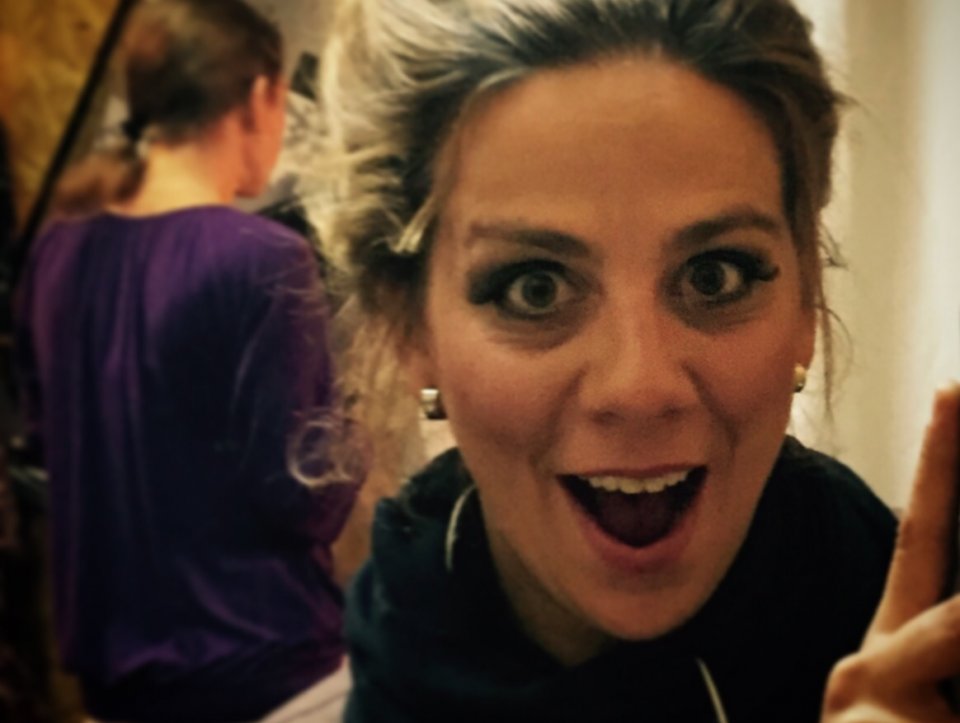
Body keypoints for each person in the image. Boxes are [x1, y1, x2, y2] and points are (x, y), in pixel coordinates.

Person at [316, 0, 960, 720]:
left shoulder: (912, 630)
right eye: (535, 288)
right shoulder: (398, 642)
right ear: (410, 328)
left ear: (807, 294)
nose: (641, 388)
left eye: (715, 276)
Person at [12, 0, 364, 720]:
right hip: (260, 665)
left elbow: (47, 443)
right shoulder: (261, 256)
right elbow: (302, 494)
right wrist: (362, 410)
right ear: (261, 96)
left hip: (116, 680)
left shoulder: (57, 252)